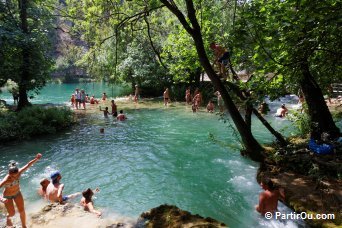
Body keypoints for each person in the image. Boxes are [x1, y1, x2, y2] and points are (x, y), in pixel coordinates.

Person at [0, 153, 42, 228]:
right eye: (12, 176)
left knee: (22, 210)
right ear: (9, 174)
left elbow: (28, 165)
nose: (14, 178)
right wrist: (1, 199)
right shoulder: (6, 180)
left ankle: (24, 226)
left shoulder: (19, 172)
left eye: (15, 175)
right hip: (7, 196)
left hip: (17, 193)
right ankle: (8, 217)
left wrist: (36, 159)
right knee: (12, 213)